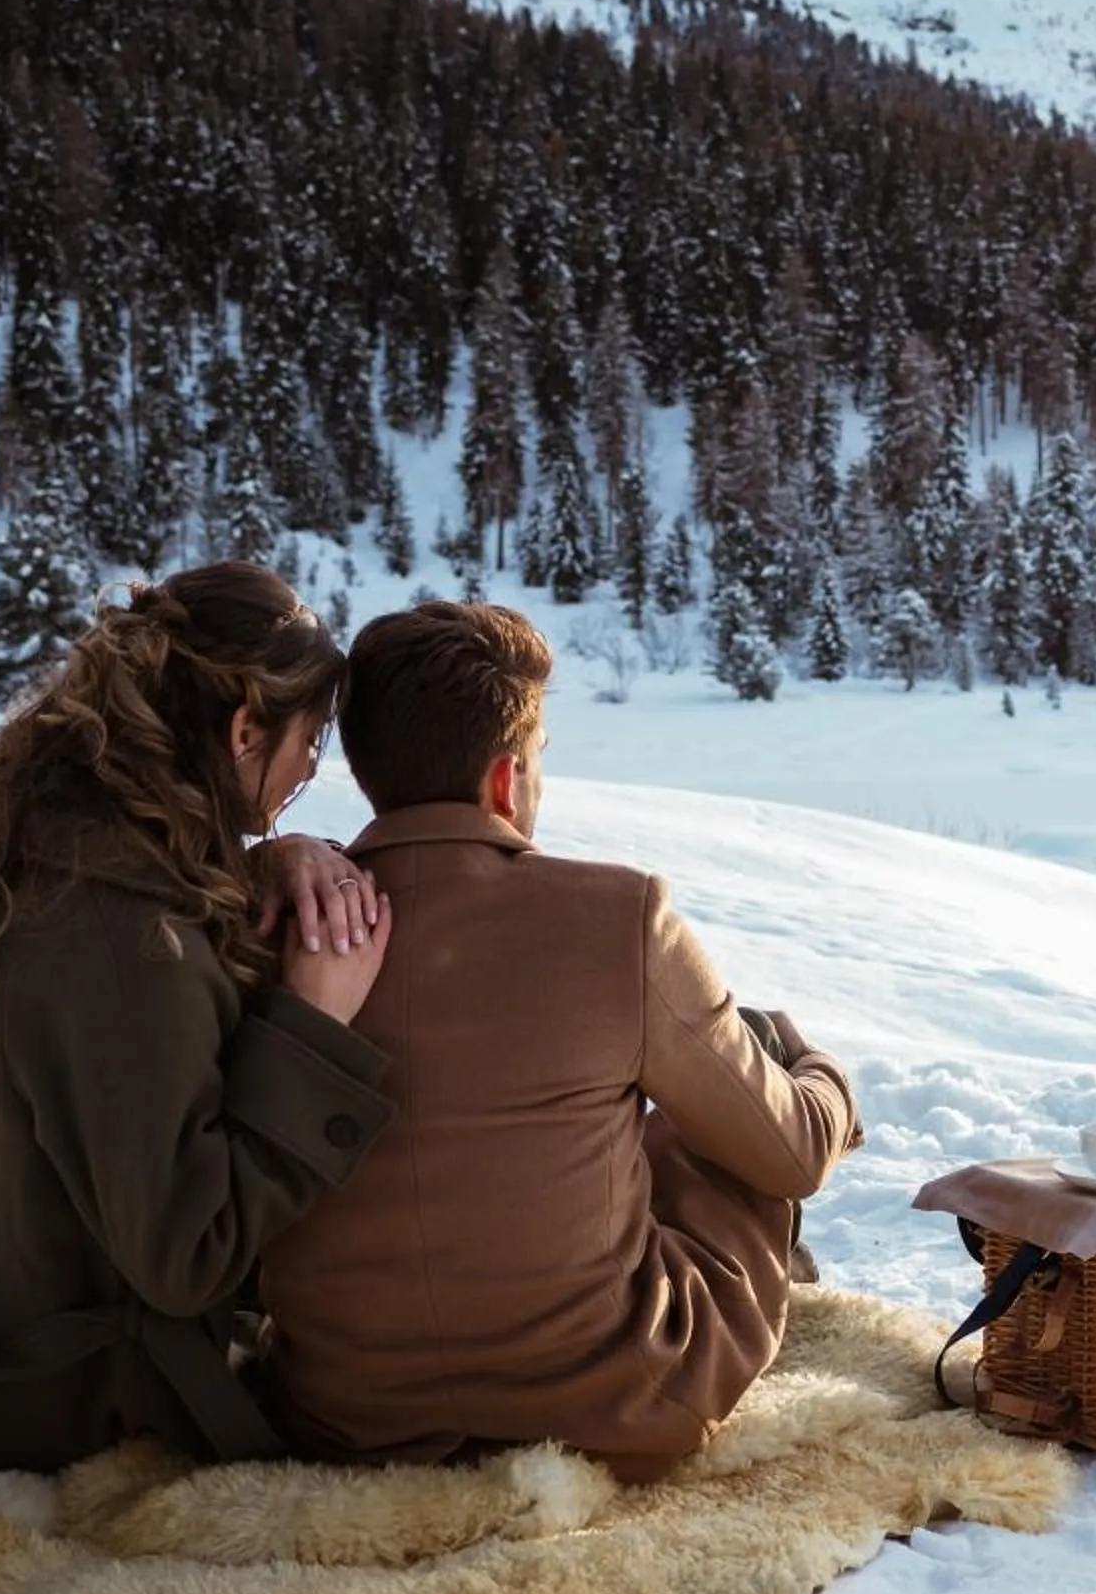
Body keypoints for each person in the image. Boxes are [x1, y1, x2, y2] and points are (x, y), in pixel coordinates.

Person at [0, 562, 399, 1472]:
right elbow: (186, 1258)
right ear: (246, 729)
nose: (310, 771)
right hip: (13, 1400)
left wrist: (281, 852)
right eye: (310, 744)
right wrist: (312, 1028)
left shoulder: (67, 832)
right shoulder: (127, 938)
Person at [257, 599, 861, 1478]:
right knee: (741, 1076)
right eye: (539, 764)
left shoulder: (275, 918)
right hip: (619, 1398)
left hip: (342, 1410)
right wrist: (818, 1072)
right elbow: (794, 1154)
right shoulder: (619, 915)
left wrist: (274, 855)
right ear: (506, 781)